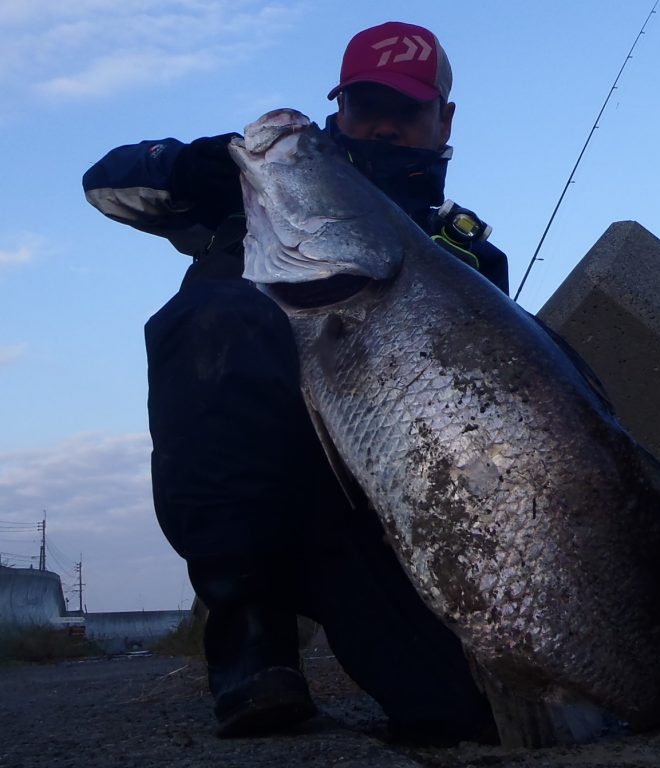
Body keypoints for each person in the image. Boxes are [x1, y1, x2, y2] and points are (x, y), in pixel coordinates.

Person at [82, 21, 505, 743]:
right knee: (215, 315)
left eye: (407, 110)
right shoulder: (261, 187)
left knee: (461, 714)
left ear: (444, 119)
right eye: (366, 106)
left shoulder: (469, 257)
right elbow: (106, 183)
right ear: (337, 110)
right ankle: (250, 633)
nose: (384, 126)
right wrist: (199, 168)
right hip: (263, 480)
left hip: (371, 509)